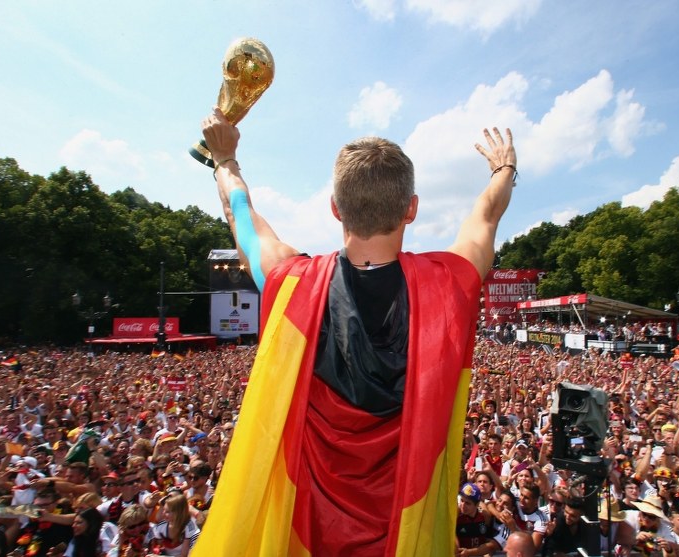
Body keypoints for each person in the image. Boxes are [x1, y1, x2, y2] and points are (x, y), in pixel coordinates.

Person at [193, 107, 516, 557]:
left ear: (334, 208)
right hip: (404, 537)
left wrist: (224, 159)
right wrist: (504, 168)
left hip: (308, 531)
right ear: (412, 209)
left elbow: (239, 215)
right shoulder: (447, 286)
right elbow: (486, 216)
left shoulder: (292, 285)